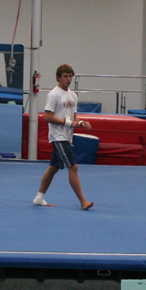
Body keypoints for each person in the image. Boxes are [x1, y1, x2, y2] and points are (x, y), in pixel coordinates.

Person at [33, 63, 93, 210]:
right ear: (58, 78)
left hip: (67, 136)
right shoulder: (54, 94)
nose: (68, 79)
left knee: (53, 168)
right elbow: (47, 117)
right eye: (65, 76)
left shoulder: (73, 95)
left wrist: (81, 123)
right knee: (73, 166)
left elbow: (74, 117)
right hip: (58, 136)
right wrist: (68, 123)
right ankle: (83, 201)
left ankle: (39, 198)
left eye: (70, 76)